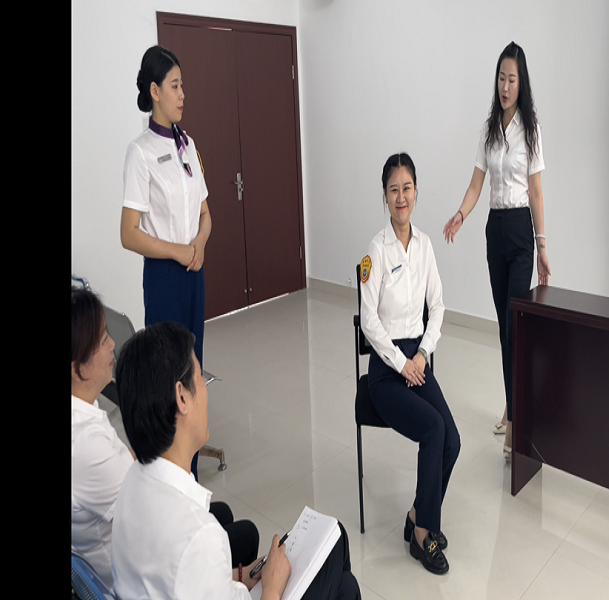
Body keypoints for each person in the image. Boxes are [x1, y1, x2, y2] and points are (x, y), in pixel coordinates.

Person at [111, 321, 361, 600]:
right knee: (337, 541)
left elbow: (192, 583)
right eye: (201, 377)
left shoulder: (131, 481)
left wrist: (248, 574)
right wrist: (272, 587)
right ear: (182, 396)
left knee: (344, 584)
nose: (206, 390)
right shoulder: (198, 536)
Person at [443, 41, 550, 460]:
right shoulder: (489, 130)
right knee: (503, 328)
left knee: (513, 328)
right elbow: (476, 184)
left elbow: (536, 191)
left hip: (521, 232)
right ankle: (511, 403)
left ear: (522, 84)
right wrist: (460, 214)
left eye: (512, 79)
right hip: (495, 231)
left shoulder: (531, 130)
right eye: (501, 78)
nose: (505, 86)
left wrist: (542, 246)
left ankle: (518, 423)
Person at [360, 153, 461, 575]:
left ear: (416, 192)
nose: (401, 197)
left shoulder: (425, 245)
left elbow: (437, 307)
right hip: (386, 372)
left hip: (416, 360)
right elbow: (368, 320)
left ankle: (418, 514)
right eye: (393, 190)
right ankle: (423, 535)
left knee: (453, 441)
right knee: (433, 429)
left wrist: (422, 353)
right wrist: (402, 363)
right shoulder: (376, 250)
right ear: (385, 196)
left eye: (407, 188)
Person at [120, 45, 211, 480]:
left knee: (193, 370)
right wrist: (178, 250)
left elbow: (206, 213)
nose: (182, 94)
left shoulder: (187, 145)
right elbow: (129, 233)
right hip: (164, 276)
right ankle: (166, 475)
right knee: (166, 379)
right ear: (155, 91)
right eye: (175, 86)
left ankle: (189, 474)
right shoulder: (139, 153)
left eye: (183, 86)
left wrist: (200, 243)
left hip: (195, 273)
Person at [71, 287, 135, 590]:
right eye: (102, 340)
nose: (112, 345)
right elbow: (148, 505)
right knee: (241, 534)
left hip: (125, 545)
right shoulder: (86, 445)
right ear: (77, 368)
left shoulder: (83, 413)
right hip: (130, 576)